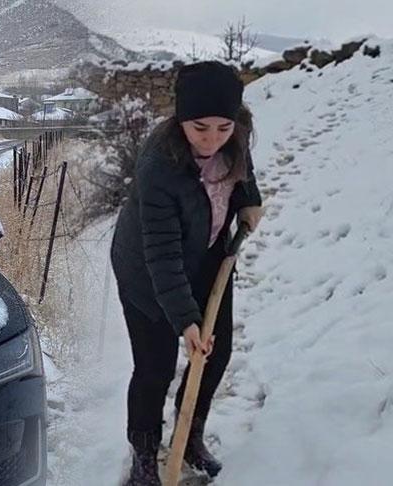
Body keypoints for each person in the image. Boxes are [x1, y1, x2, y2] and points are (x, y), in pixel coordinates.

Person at [110, 61, 264, 486]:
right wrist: (185, 320)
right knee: (154, 367)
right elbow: (161, 255)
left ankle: (189, 435)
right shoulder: (159, 166)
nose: (212, 139)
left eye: (222, 127)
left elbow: (242, 169)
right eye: (200, 128)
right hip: (147, 271)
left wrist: (250, 198)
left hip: (211, 257)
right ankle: (144, 453)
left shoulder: (236, 134)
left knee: (215, 356)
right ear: (180, 119)